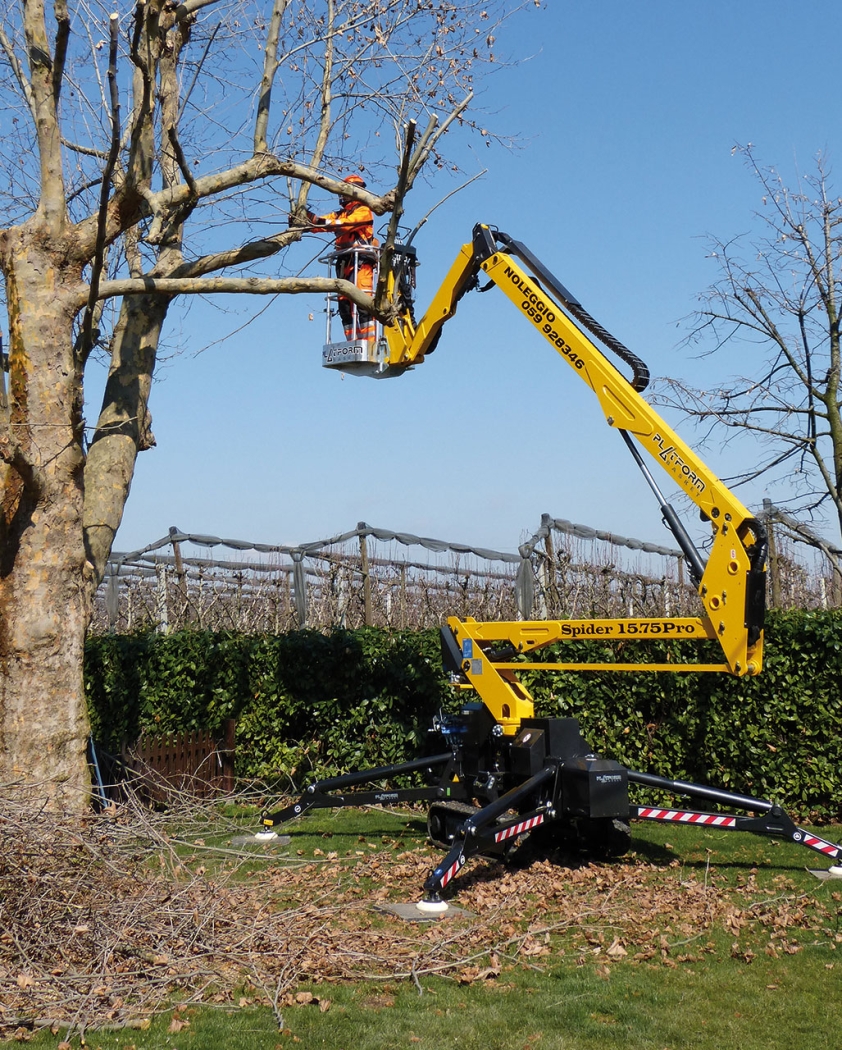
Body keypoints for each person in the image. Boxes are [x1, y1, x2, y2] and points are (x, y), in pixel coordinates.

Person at [305, 174, 379, 340]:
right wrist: (305, 217)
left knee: (363, 303)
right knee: (344, 306)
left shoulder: (364, 211)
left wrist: (318, 222)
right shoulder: (340, 215)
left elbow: (344, 225)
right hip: (344, 264)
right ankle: (351, 342)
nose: (342, 196)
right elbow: (321, 223)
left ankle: (369, 344)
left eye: (345, 192)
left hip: (361, 263)